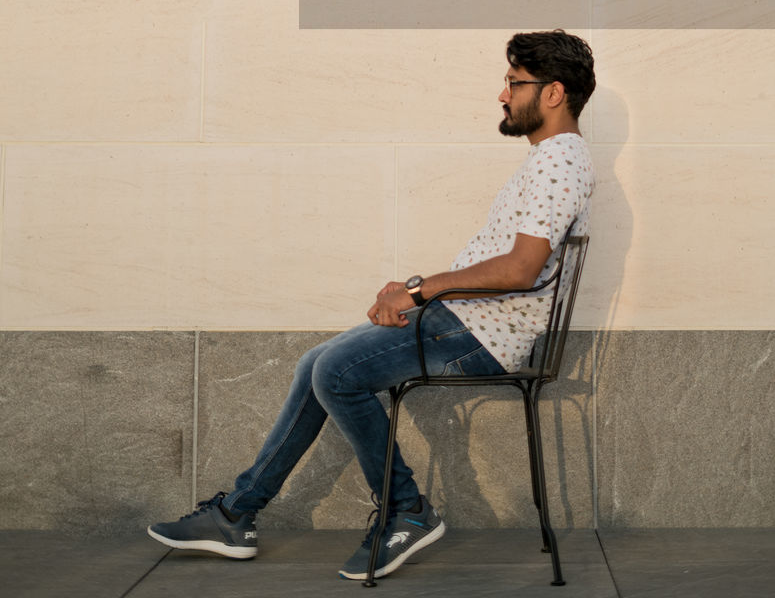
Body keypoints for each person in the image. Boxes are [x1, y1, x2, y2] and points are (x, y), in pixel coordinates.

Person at [147, 29, 595, 580]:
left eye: (513, 83)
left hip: (483, 335)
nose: (502, 96)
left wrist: (415, 290)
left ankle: (406, 510)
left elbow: (519, 270)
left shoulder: (558, 162)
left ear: (553, 93)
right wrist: (419, 296)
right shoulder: (551, 160)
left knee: (336, 371)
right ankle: (238, 513)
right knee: (316, 364)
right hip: (465, 320)